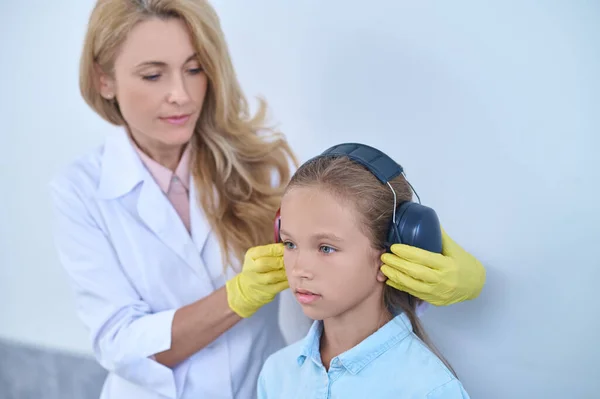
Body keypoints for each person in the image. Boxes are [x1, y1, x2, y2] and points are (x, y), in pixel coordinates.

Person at [48, 1, 485, 398]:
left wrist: (443, 268)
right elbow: (118, 342)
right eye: (152, 74)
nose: (180, 93)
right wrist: (235, 297)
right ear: (104, 80)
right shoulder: (81, 192)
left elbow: (342, 256)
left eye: (195, 68)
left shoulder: (260, 164)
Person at [257, 145, 471, 399]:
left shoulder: (428, 388)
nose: (299, 269)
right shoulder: (277, 373)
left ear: (392, 255)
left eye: (325, 248)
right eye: (290, 244)